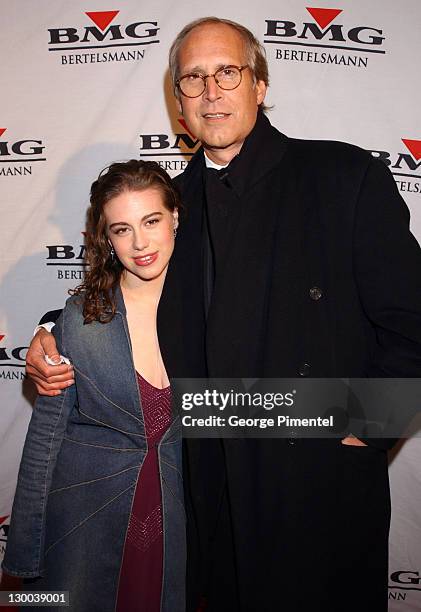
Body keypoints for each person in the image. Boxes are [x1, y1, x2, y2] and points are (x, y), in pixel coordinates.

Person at [24, 16, 421, 612]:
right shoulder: (174, 207)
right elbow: (124, 279)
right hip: (212, 493)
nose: (211, 91)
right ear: (178, 102)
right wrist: (53, 329)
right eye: (193, 79)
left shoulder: (343, 176)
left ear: (259, 84)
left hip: (315, 483)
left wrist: (366, 428)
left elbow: (412, 321)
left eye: (227, 72)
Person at [2, 160, 185, 612]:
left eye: (151, 221)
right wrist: (24, 554)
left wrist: (368, 414)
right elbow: (43, 443)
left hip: (175, 523)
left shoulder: (212, 309)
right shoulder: (79, 323)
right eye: (122, 229)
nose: (140, 243)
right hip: (81, 522)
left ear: (175, 218)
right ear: (106, 237)